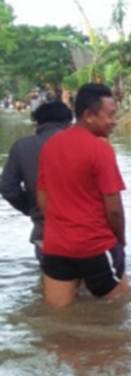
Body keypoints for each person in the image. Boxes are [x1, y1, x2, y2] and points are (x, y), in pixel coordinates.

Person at [37, 83, 128, 308]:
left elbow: (42, 198)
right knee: (121, 313)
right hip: (96, 245)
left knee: (59, 317)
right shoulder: (101, 149)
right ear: (88, 115)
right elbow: (114, 208)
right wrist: (121, 240)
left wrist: (62, 226)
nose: (114, 121)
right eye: (110, 115)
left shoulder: (51, 146)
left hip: (56, 247)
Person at [1, 101, 73, 263]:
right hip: (86, 232)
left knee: (50, 283)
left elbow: (7, 188)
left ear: (38, 123)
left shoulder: (21, 147)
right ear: (68, 122)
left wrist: (32, 208)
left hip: (45, 231)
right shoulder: (87, 145)